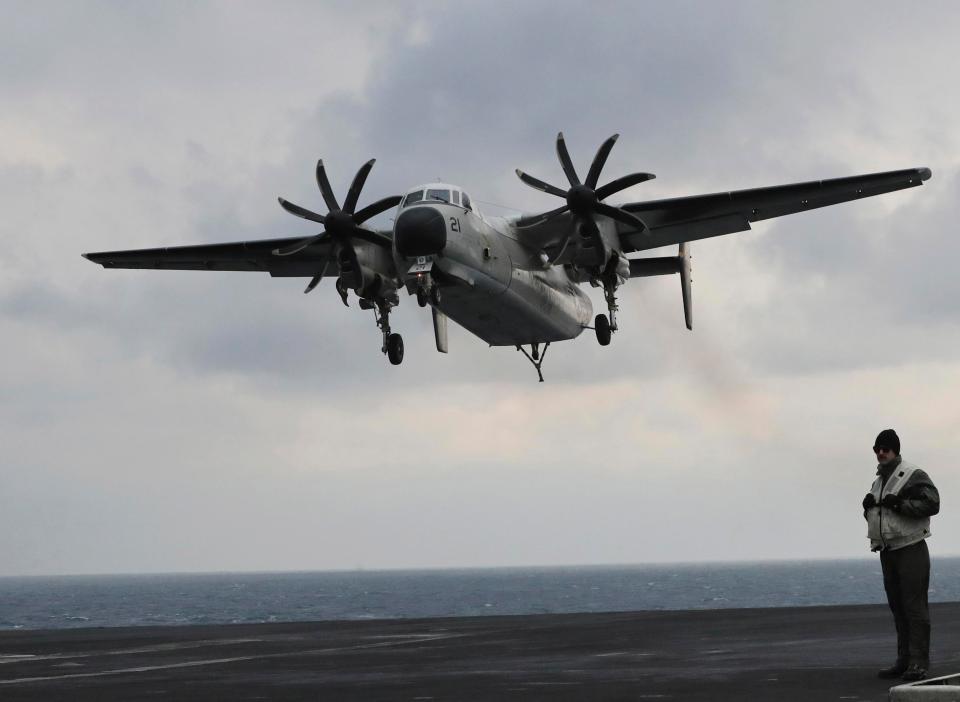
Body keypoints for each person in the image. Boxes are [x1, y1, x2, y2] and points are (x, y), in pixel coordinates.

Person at [862, 429, 940, 682]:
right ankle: (904, 660)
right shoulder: (879, 480)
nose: (880, 453)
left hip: (910, 548)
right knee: (898, 607)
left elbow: (932, 503)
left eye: (885, 448)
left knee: (914, 607)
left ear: (895, 449)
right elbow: (884, 516)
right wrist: (868, 510)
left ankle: (918, 664)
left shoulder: (912, 474)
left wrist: (900, 504)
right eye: (877, 449)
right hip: (888, 550)